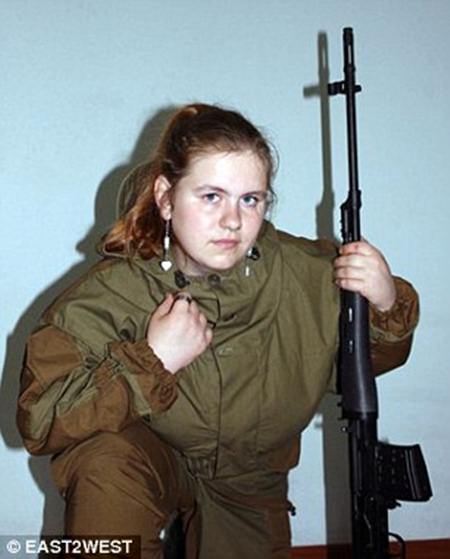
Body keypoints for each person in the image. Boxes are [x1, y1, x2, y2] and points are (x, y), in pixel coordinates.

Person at [17, 103, 419, 559]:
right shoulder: (115, 291)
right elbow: (41, 418)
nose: (232, 220)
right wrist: (151, 362)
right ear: (166, 197)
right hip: (147, 456)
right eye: (211, 196)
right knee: (104, 463)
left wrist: (385, 305)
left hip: (249, 480)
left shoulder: (307, 274)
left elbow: (355, 368)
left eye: (250, 199)